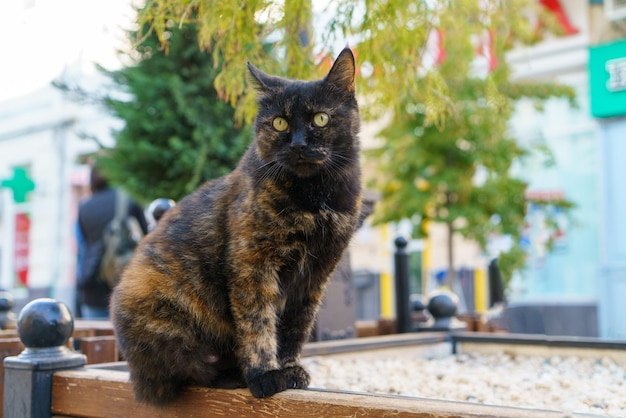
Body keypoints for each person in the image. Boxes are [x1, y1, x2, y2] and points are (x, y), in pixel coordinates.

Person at [76, 166, 148, 319]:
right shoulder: (129, 199)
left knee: (95, 339)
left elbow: (84, 245)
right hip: (123, 283)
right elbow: (146, 239)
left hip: (92, 283)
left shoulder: (84, 207)